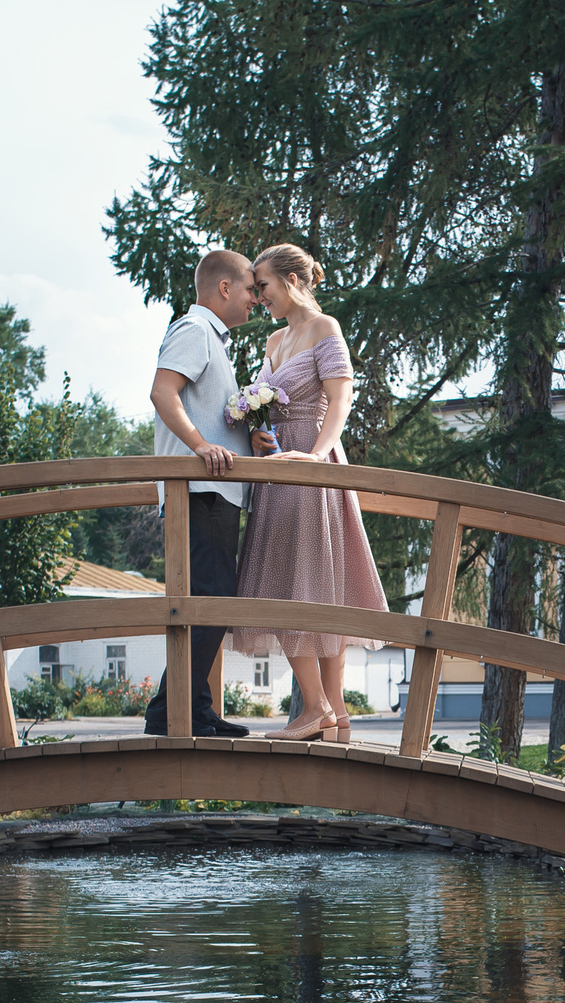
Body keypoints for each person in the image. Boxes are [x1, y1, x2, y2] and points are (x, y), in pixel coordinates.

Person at [227, 243, 389, 743]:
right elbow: (261, 405)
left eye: (265, 286)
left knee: (317, 585)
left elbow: (341, 399)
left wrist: (318, 458)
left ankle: (320, 708)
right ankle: (329, 711)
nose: (259, 296)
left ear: (294, 281)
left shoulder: (326, 329)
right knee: (284, 582)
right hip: (277, 471)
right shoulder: (276, 339)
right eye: (255, 288)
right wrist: (256, 431)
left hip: (311, 466)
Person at [142, 250, 261, 738]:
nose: (256, 298)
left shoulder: (215, 341)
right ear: (225, 288)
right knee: (208, 598)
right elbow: (161, 391)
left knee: (209, 600)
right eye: (251, 288)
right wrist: (200, 445)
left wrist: (248, 437)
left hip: (216, 491)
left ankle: (193, 708)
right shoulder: (194, 331)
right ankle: (169, 713)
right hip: (200, 490)